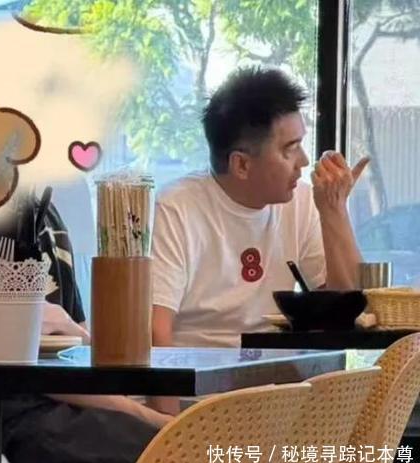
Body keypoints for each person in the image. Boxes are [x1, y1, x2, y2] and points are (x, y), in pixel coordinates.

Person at [149, 66, 369, 414]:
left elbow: (346, 312)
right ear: (241, 165)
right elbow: (155, 332)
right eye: (290, 149)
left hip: (276, 399)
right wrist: (166, 427)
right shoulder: (178, 206)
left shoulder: (301, 201)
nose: (304, 162)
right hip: (197, 402)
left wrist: (334, 211)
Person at [0, 188, 171, 463]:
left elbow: (76, 343)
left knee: (199, 446)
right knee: (174, 450)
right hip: (11, 410)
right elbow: (28, 369)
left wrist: (74, 331)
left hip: (61, 402)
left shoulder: (44, 214)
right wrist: (151, 417)